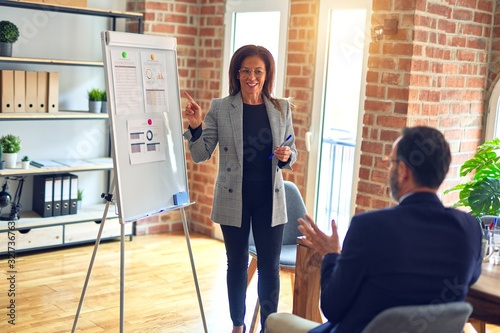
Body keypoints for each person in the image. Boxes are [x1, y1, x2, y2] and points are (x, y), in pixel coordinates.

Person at [265, 126, 483, 333]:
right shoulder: (469, 228)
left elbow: (332, 308)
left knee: (275, 320)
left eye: (391, 163)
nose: (389, 169)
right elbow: (469, 279)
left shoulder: (369, 227)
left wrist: (331, 255)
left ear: (404, 170)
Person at [182, 44, 297, 333]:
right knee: (236, 264)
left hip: (270, 200)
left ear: (267, 74)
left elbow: (291, 150)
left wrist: (287, 156)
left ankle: (268, 326)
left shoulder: (281, 107)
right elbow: (201, 153)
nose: (251, 77)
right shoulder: (221, 107)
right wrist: (196, 127)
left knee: (270, 268)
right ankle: (237, 325)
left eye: (258, 70)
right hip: (234, 198)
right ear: (237, 73)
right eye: (245, 70)